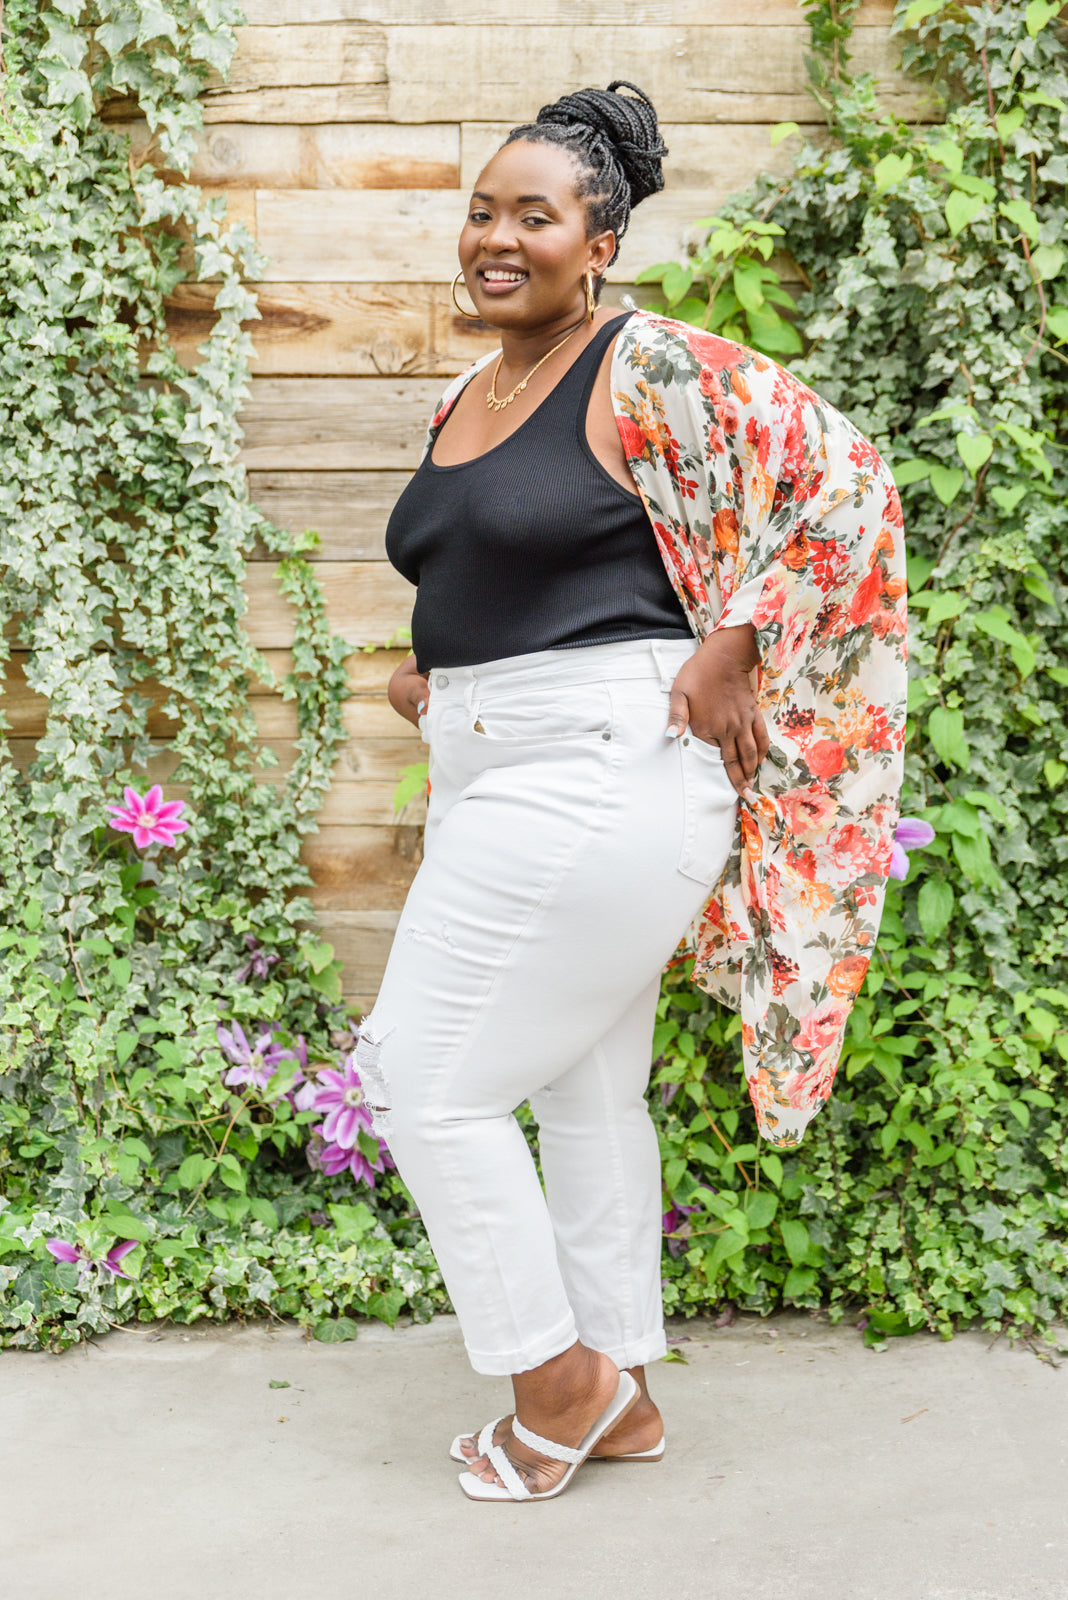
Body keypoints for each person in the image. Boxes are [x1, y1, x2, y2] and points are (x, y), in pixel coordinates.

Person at [361, 82, 907, 1503]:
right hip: (506, 761)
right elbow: (521, 567)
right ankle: (629, 1389)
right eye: (482, 212)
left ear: (598, 243)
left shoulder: (645, 362)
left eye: (534, 216)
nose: (496, 238)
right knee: (588, 1095)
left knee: (419, 1080)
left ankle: (560, 1384)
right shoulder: (471, 392)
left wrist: (737, 644)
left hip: (603, 768)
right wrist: (442, 680)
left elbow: (845, 482)